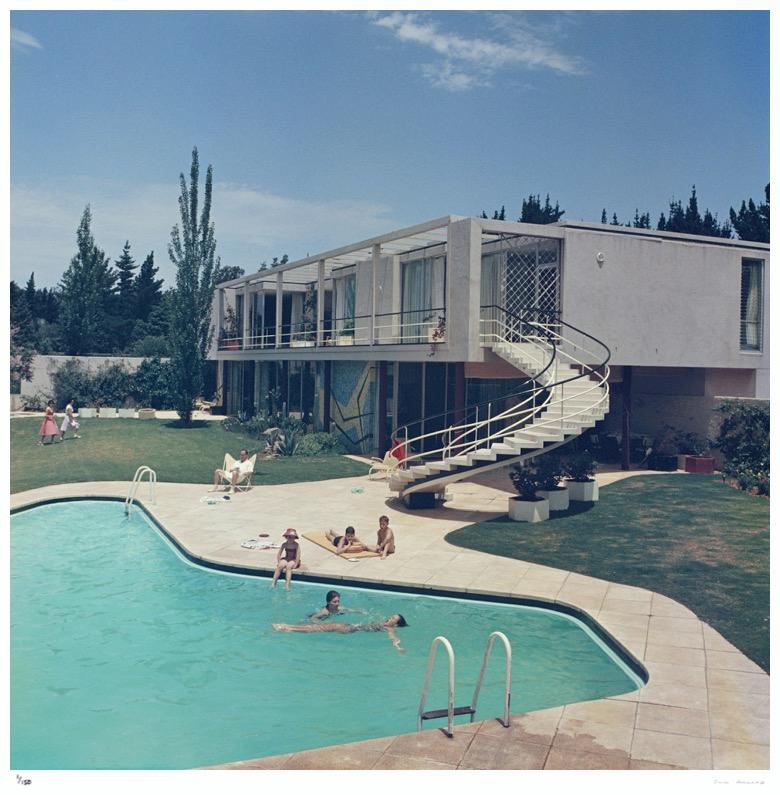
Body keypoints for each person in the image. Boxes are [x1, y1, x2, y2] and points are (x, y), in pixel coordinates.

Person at [273, 614, 408, 653]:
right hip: (349, 626)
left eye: (392, 619)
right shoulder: (384, 624)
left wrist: (398, 647)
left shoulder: (389, 629)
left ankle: (287, 628)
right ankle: (288, 627)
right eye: (390, 616)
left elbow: (394, 638)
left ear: (395, 624)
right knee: (317, 627)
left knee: (316, 628)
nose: (389, 618)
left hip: (349, 630)